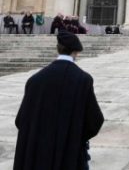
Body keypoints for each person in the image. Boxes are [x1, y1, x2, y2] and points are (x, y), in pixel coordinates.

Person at [14, 29, 104, 170]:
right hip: (69, 154)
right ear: (76, 51)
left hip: (37, 156)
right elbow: (95, 120)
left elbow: (21, 120)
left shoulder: (35, 80)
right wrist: (74, 136)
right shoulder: (83, 80)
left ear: (58, 48)